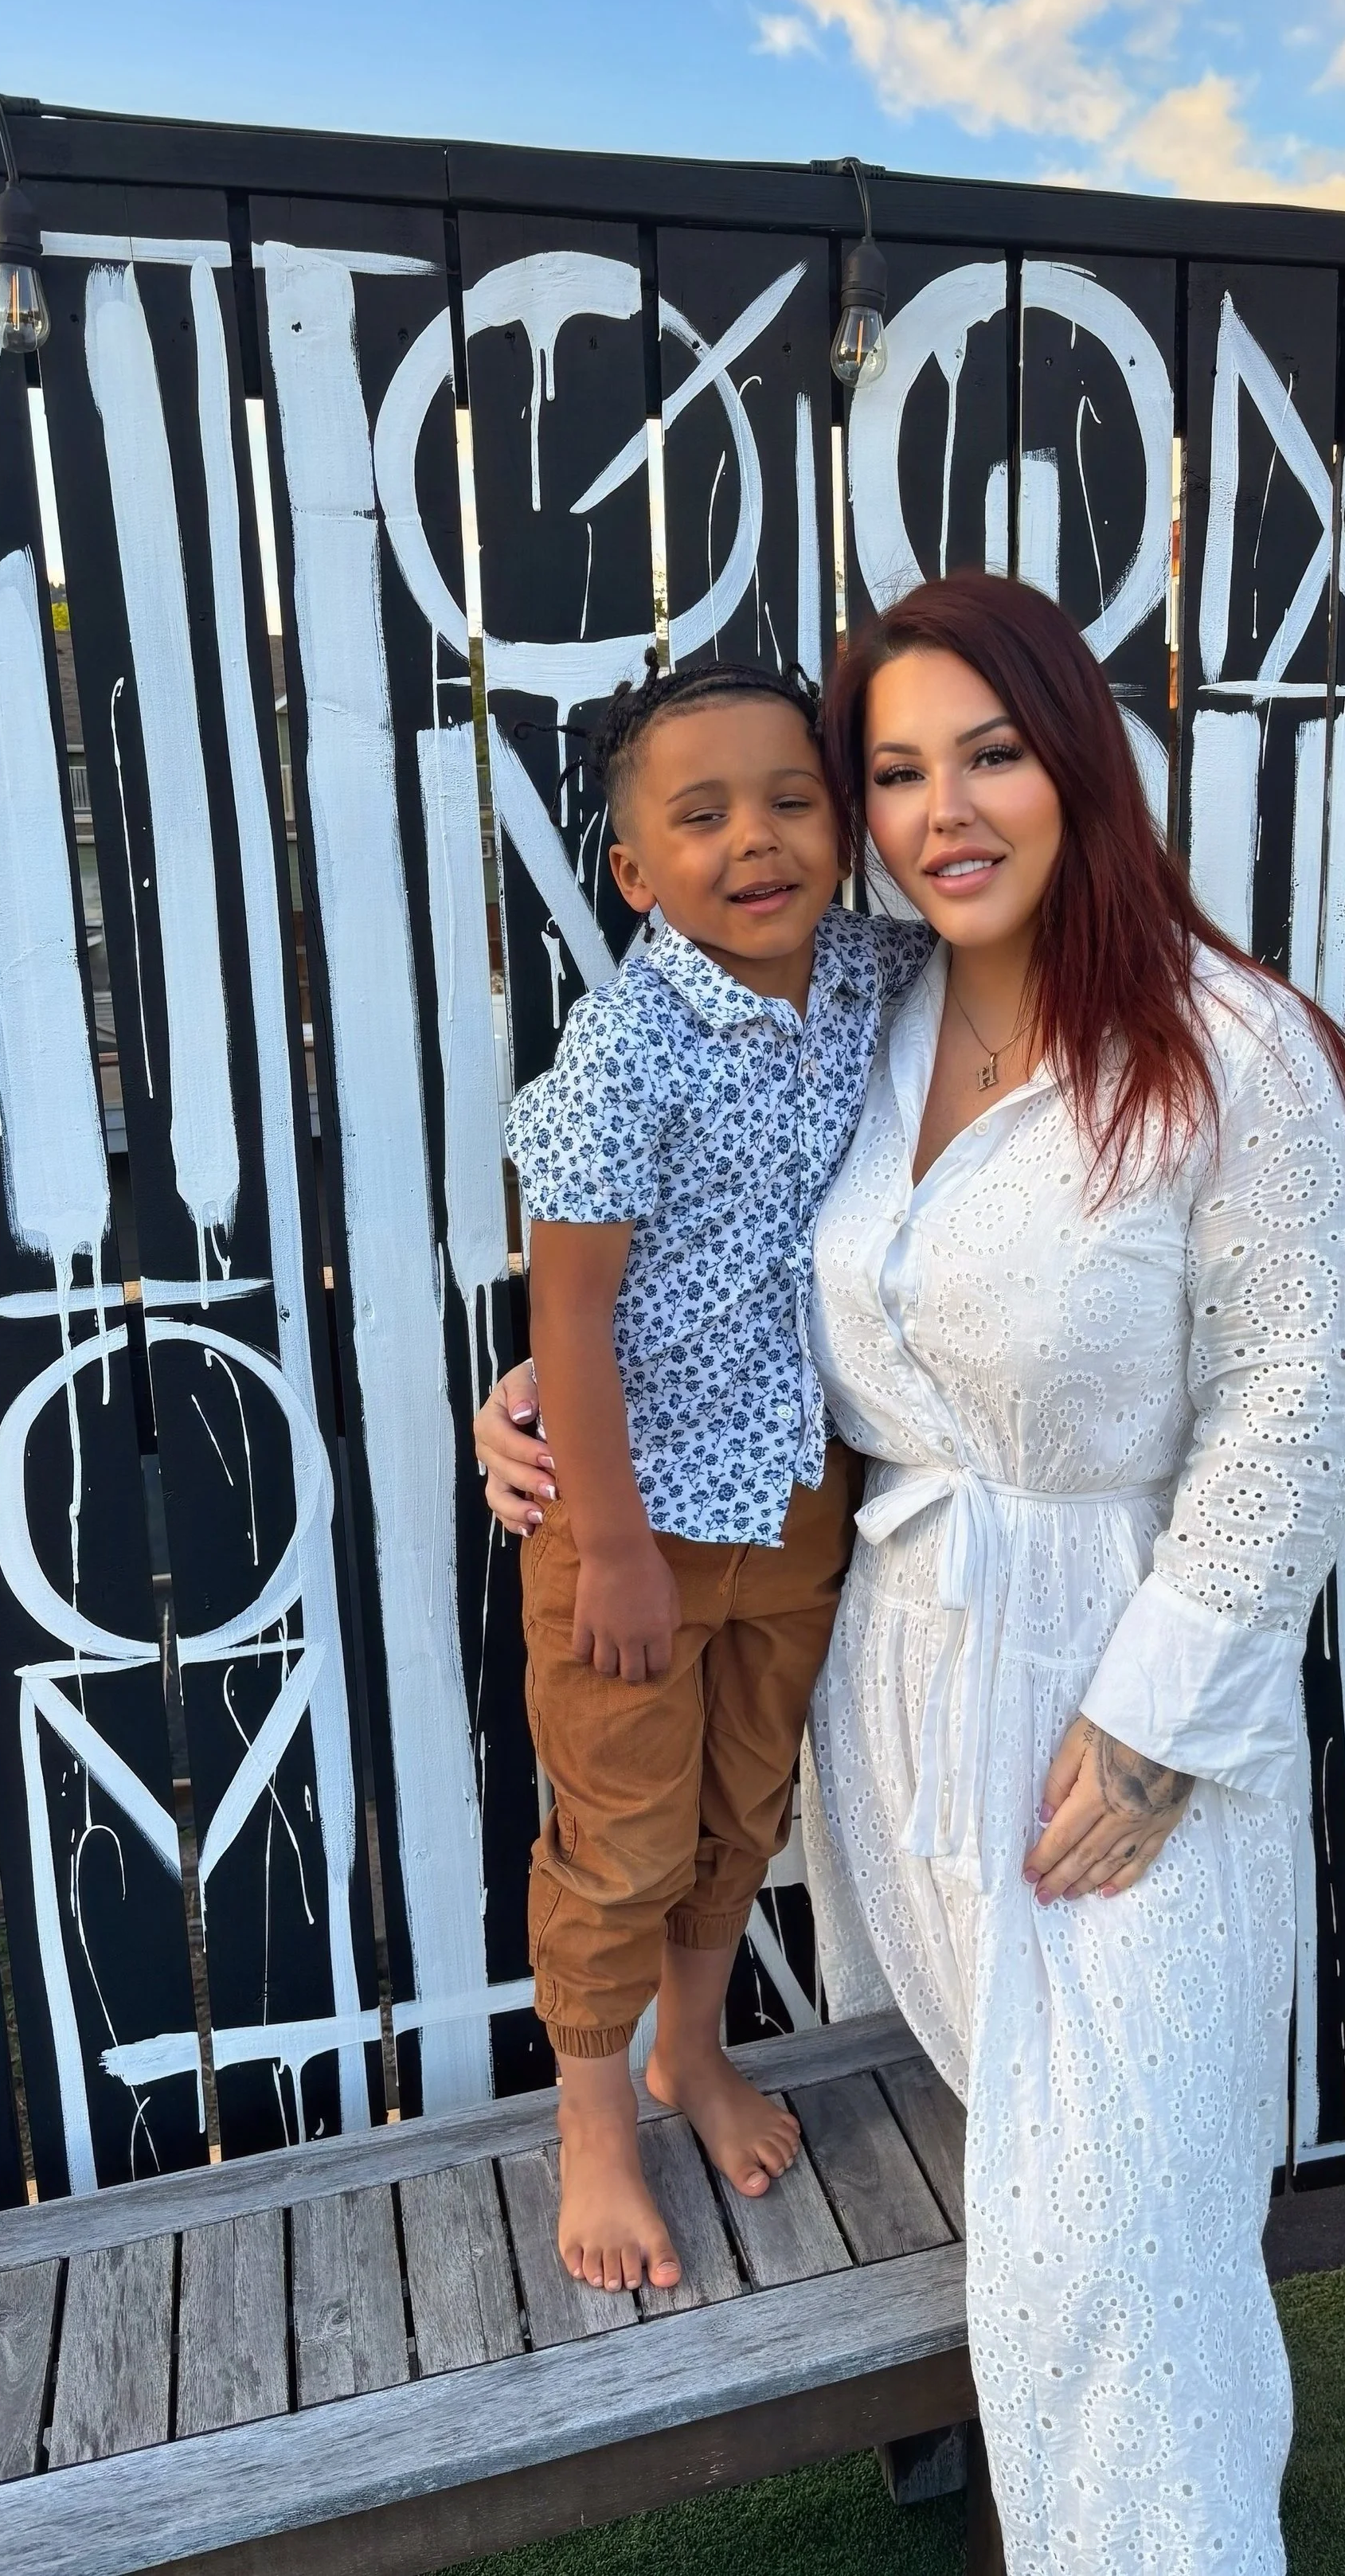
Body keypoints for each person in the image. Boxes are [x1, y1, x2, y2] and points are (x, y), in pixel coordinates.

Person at [482, 574, 1345, 2573]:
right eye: (893, 769)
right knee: (1027, 2173)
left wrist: (1157, 1729)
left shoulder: (1230, 1053)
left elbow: (1295, 1403)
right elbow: (676, 1247)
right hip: (890, 1691)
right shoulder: (862, 1005)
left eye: (988, 752)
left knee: (1120, 2206)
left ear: (1077, 759)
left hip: (1117, 1696)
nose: (939, 807)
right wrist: (531, 1404)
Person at [501, 651, 929, 2297]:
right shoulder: (624, 1056)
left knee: (744, 1805)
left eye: (788, 799)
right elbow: (572, 1314)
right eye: (699, 816)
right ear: (633, 869)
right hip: (635, 1521)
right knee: (616, 1833)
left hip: (795, 1504)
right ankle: (595, 2119)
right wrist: (606, 1546)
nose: (752, 839)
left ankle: (695, 2049)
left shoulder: (870, 974)